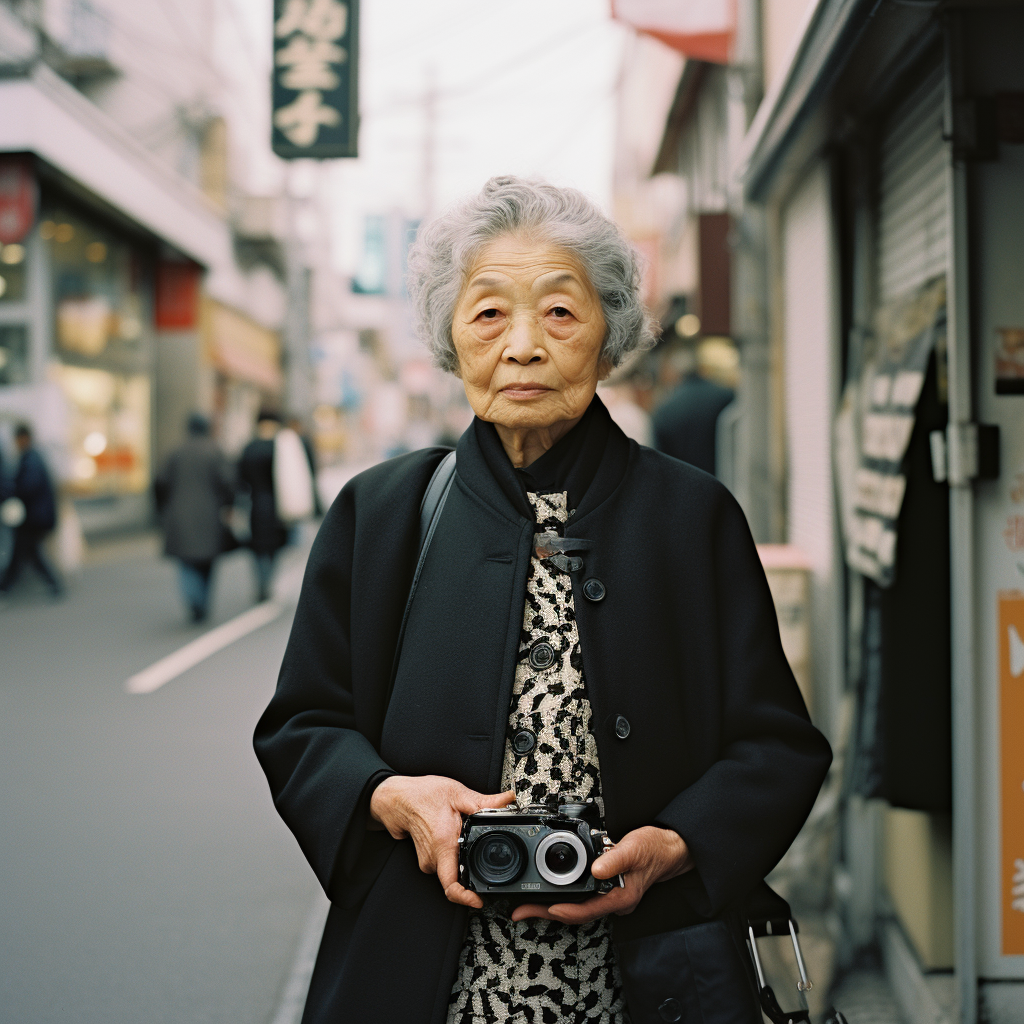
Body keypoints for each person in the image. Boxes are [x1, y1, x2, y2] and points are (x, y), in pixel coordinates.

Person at [254, 177, 831, 1024]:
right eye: (488, 314)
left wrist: (677, 847)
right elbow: (301, 726)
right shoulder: (380, 515)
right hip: (421, 979)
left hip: (648, 979)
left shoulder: (691, 515)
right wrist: (388, 796)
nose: (522, 346)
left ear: (611, 334)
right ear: (450, 339)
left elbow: (776, 744)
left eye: (560, 313)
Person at [155, 413, 234, 622]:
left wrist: (162, 509)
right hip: (210, 515)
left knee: (186, 562)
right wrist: (228, 506)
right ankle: (202, 601)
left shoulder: (175, 452)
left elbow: (160, 481)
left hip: (179, 515)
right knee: (208, 563)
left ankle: (194, 599)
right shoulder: (215, 451)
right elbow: (227, 481)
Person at [651, 345, 735, 477]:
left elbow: (660, 456)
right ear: (700, 368)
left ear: (675, 372)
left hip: (685, 483)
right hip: (725, 479)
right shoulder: (725, 395)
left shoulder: (666, 408)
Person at [0, 423, 62, 597]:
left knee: (24, 552)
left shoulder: (31, 459)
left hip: (34, 517)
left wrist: (11, 490)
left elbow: (28, 487)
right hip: (35, 516)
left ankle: (5, 587)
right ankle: (53, 584)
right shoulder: (32, 457)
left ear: (24, 438)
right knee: (30, 553)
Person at [238, 410, 288, 602]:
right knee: (274, 546)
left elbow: (240, 478)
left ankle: (261, 581)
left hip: (255, 503)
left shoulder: (249, 447)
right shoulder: (280, 447)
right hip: (279, 504)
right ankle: (267, 582)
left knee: (257, 547)